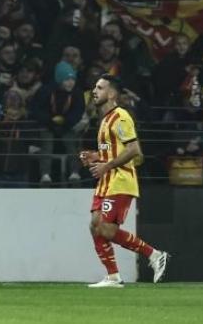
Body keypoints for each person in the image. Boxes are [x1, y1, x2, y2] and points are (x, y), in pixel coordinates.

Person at [80, 75, 170, 288]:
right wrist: (95, 157)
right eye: (94, 87)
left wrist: (106, 166)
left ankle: (155, 254)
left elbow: (134, 150)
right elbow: (113, 152)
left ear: (111, 93)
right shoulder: (104, 120)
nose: (94, 91)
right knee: (95, 226)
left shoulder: (120, 116)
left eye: (100, 88)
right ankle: (112, 276)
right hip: (106, 180)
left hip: (120, 180)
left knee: (107, 230)